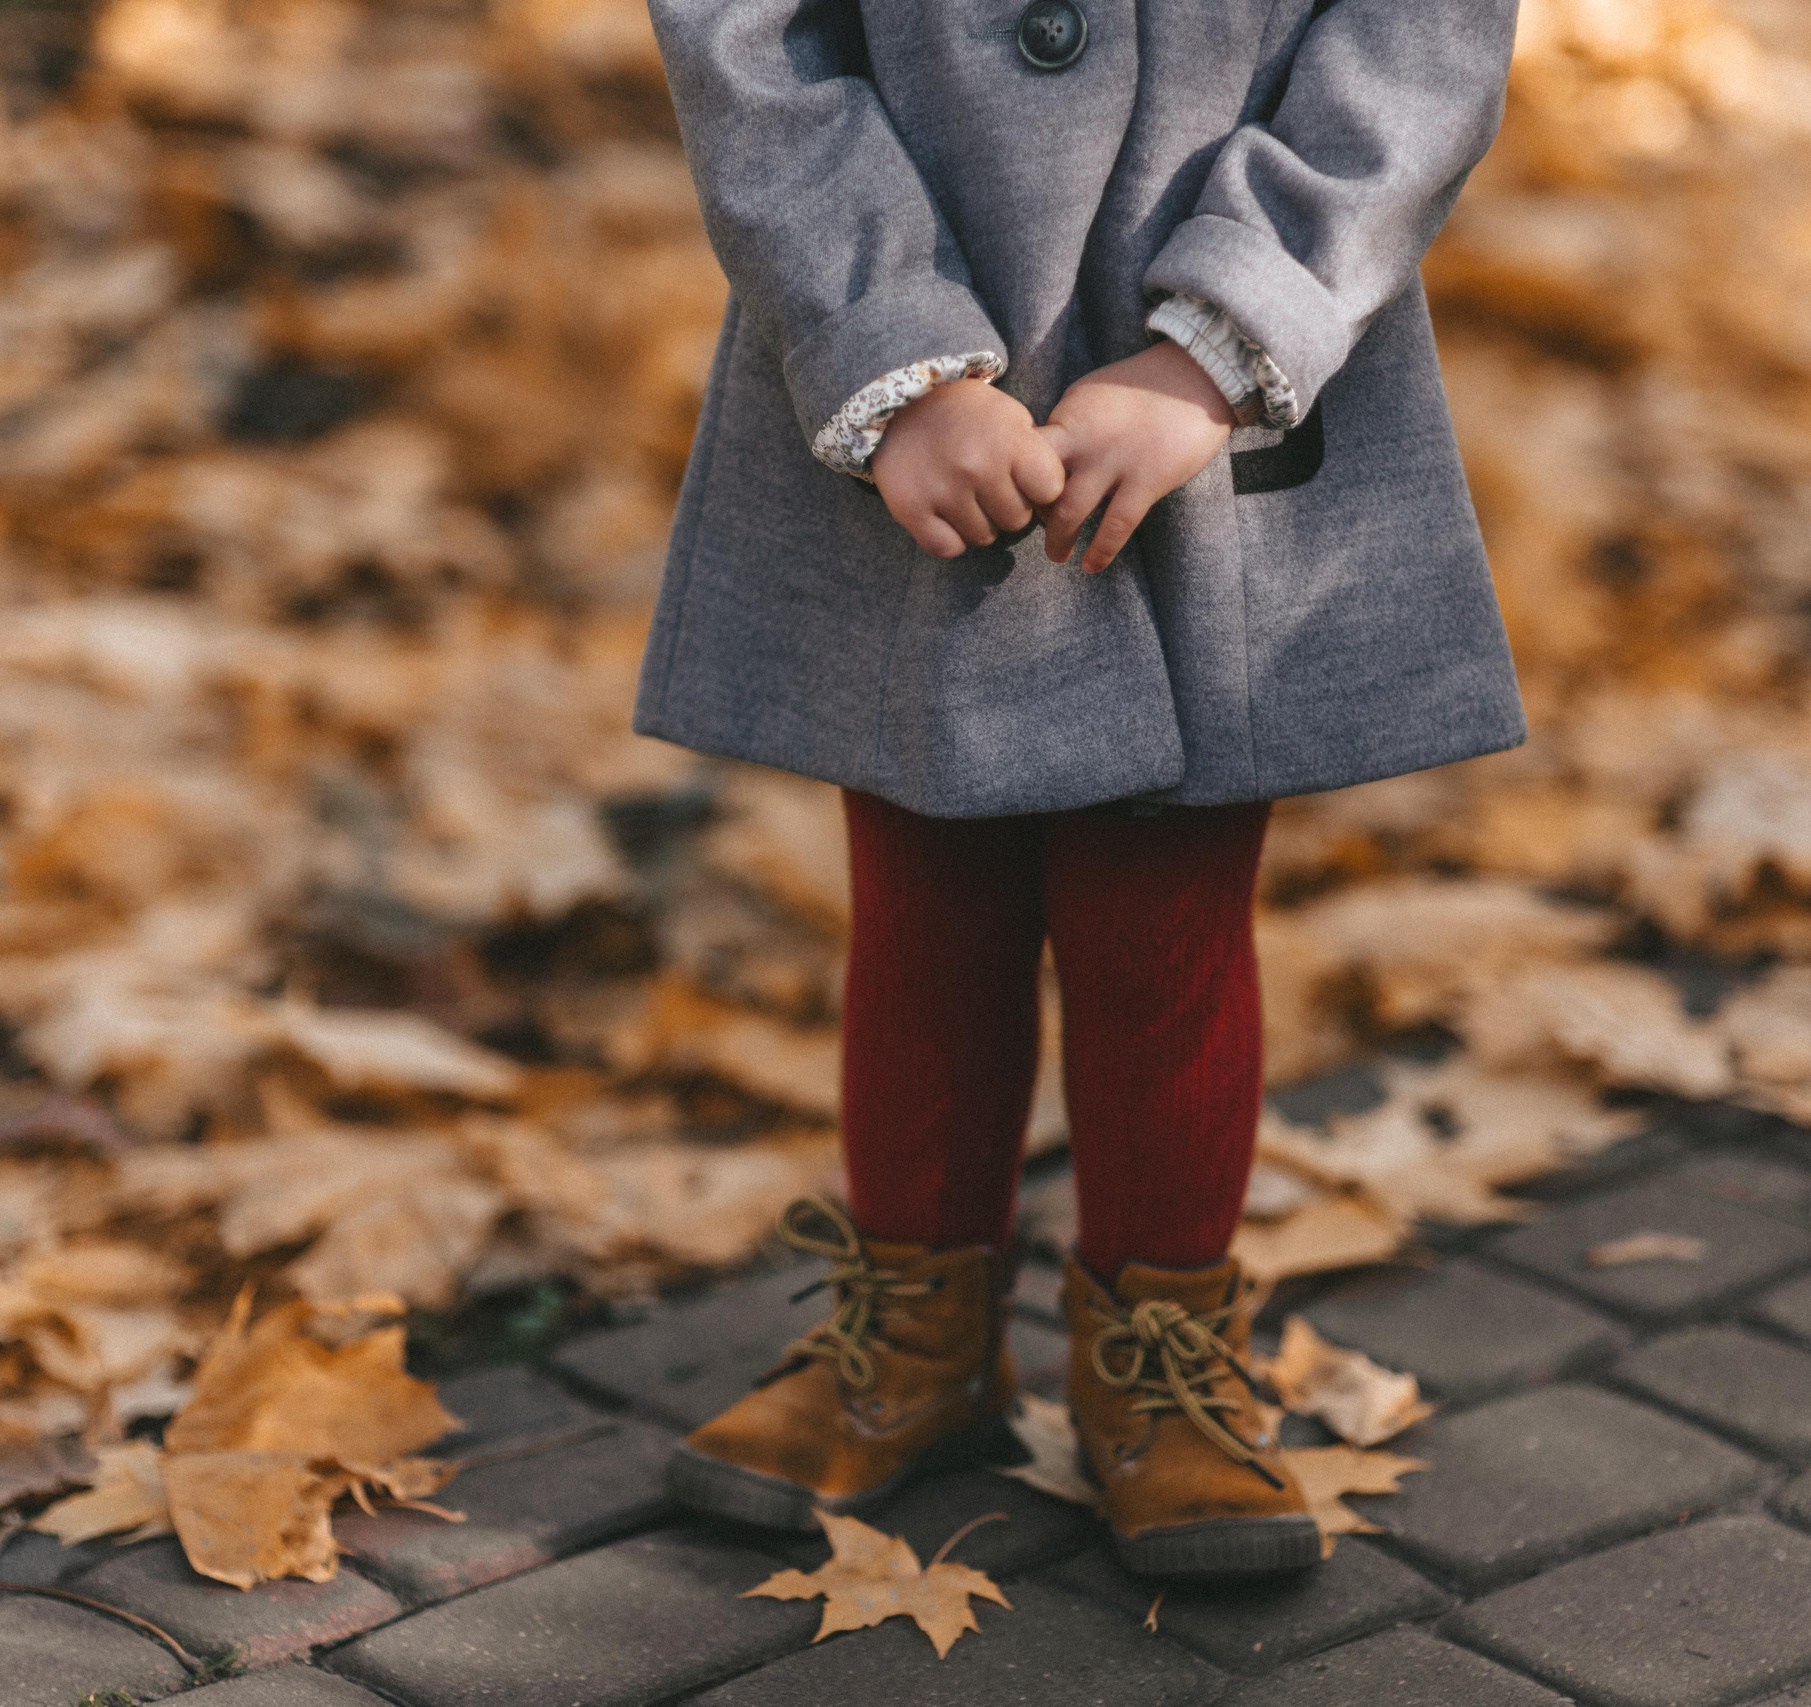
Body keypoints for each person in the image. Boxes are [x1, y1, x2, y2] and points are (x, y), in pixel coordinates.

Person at [634, 0, 1524, 1579]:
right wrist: (888, 347)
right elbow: (748, 39)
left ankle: (1163, 1360)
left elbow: (1418, 37)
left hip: (1214, 412)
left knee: (1160, 918)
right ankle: (917, 1340)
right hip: (913, 381)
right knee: (925, 903)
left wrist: (1217, 346)